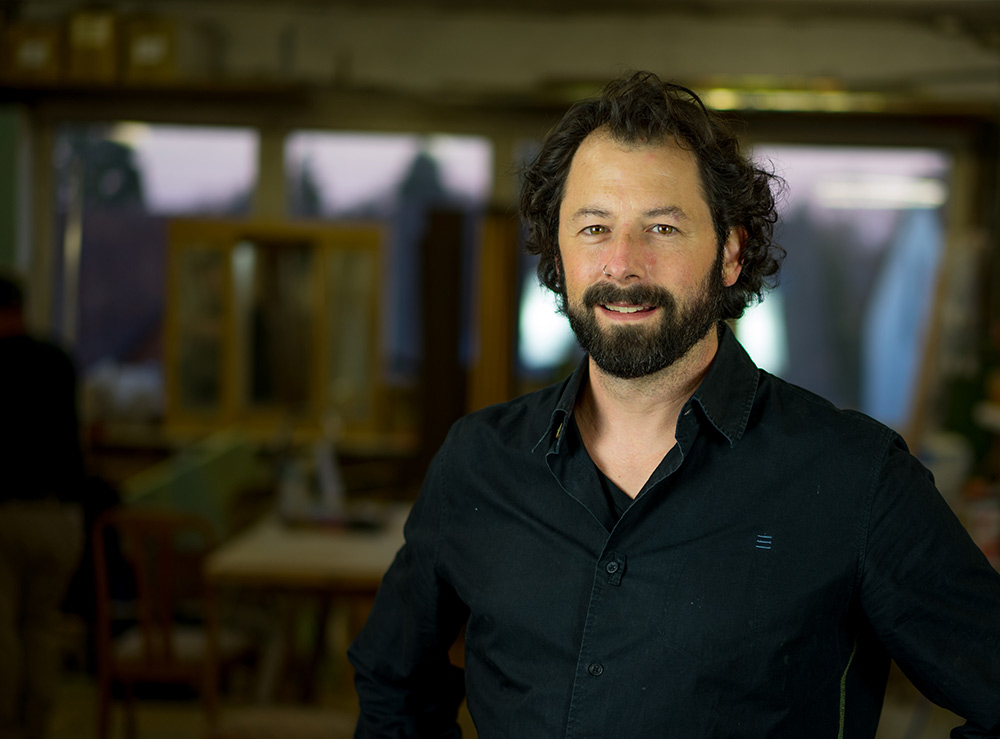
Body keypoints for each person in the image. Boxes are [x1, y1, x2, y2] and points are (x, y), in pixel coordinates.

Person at [348, 71, 1000, 737]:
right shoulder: (478, 463)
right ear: (558, 255)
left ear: (731, 253)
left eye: (661, 227)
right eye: (594, 227)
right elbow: (393, 685)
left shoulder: (856, 479)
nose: (622, 263)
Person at [0, 273, 85, 739]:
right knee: (41, 626)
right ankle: (38, 724)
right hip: (59, 519)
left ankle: (7, 724)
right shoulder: (57, 360)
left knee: (3, 632)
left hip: (7, 515)